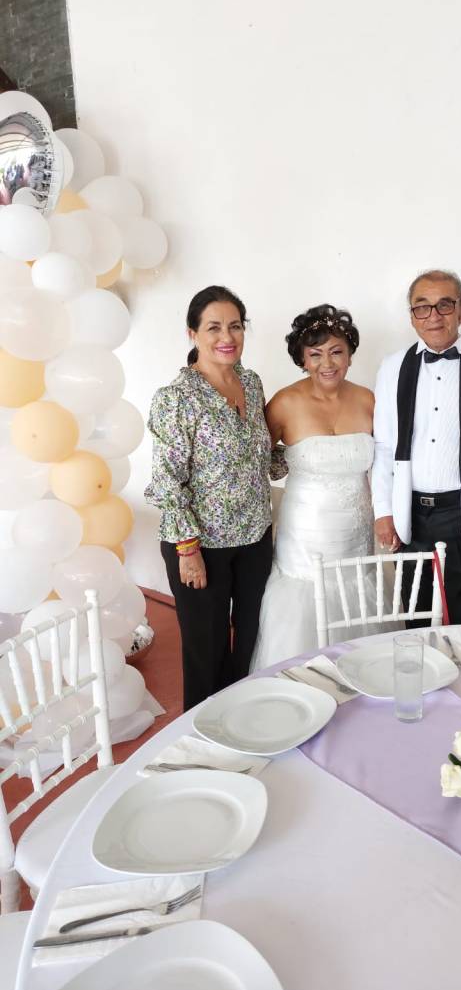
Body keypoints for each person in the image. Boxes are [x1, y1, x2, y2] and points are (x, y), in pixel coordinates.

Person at [145, 285, 283, 709]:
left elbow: (261, 455)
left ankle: (240, 721)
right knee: (206, 650)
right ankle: (202, 734)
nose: (227, 337)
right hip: (200, 545)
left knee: (250, 641)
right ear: (193, 334)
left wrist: (311, 450)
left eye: (235, 326)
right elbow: (167, 481)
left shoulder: (251, 383)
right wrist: (188, 550)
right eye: (214, 327)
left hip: (254, 536)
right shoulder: (176, 399)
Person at [250, 304, 391, 670]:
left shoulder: (369, 399)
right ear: (303, 358)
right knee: (303, 615)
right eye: (315, 354)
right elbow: (253, 460)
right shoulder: (284, 403)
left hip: (356, 533)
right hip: (305, 534)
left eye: (336, 352)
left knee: (358, 611)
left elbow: (388, 463)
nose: (327, 363)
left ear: (350, 355)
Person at [372, 269, 461, 626]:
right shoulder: (392, 367)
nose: (433, 316)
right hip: (410, 511)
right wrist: (383, 511)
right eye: (422, 307)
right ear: (412, 316)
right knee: (416, 615)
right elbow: (384, 445)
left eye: (445, 305)